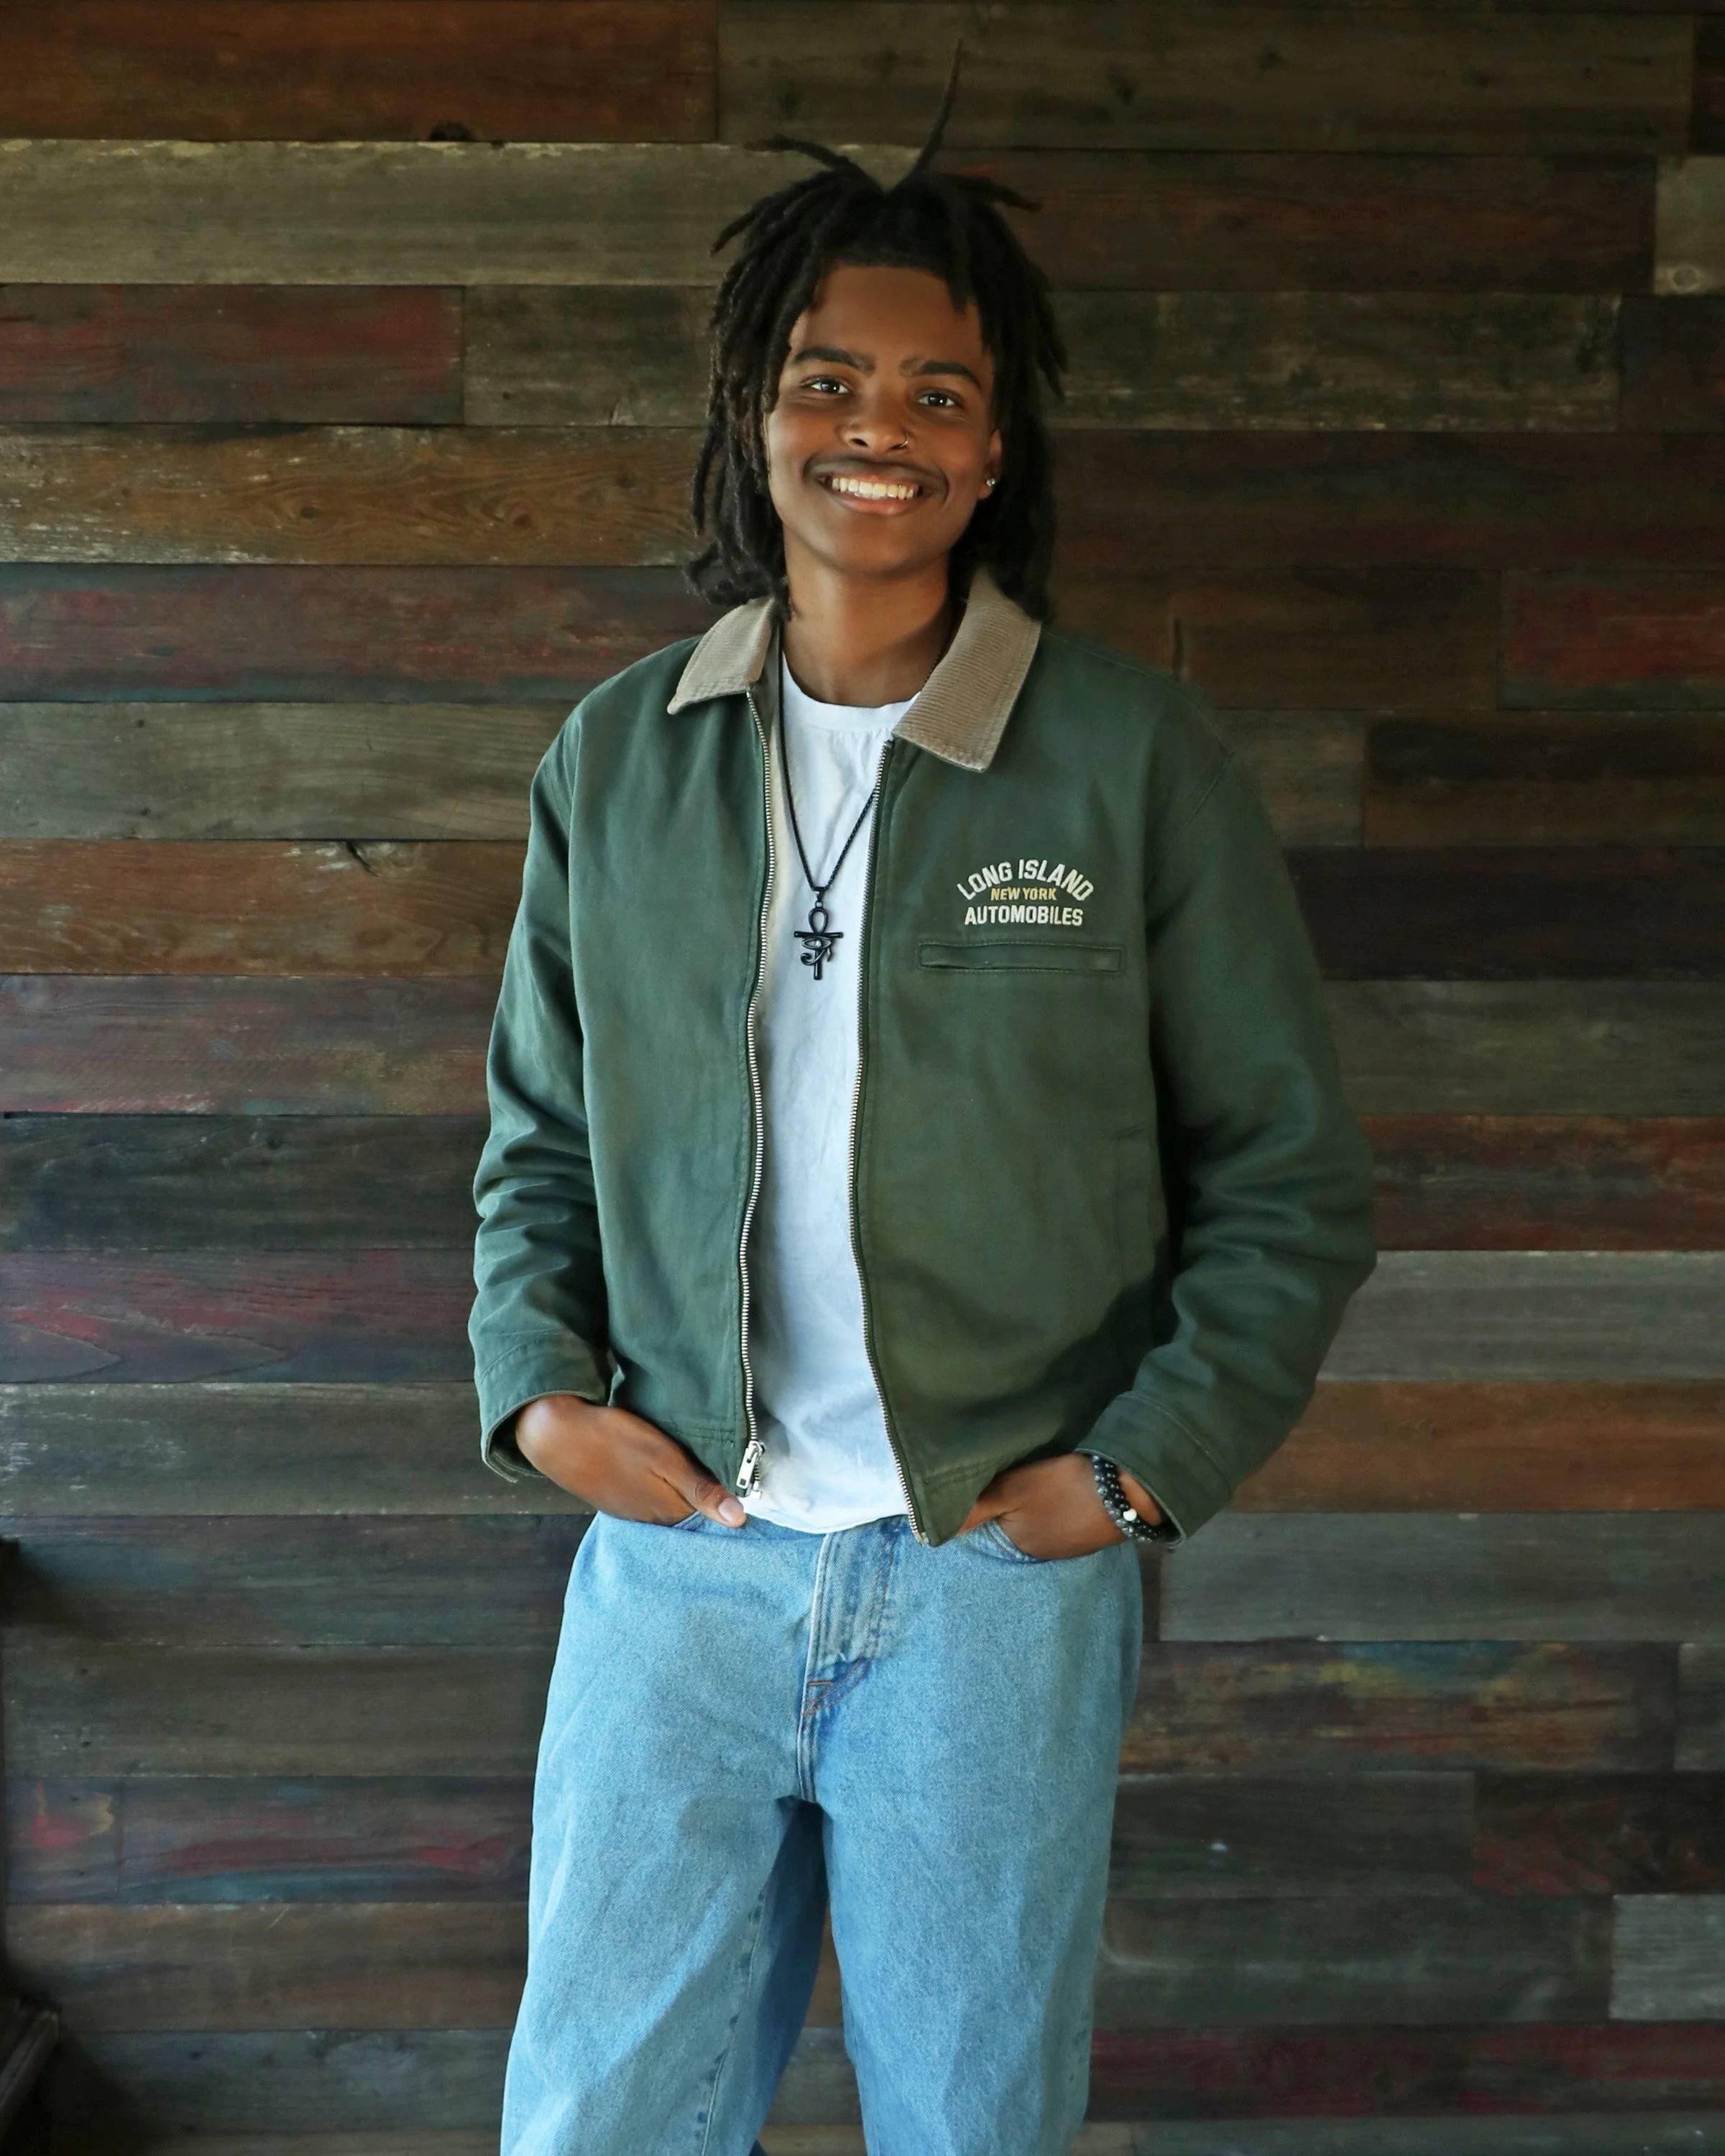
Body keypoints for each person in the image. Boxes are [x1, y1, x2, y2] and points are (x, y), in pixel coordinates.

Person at [466, 73, 1376, 2156]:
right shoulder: (622, 761)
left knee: (972, 2123)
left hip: (987, 1582)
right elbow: (536, 1138)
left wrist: (1137, 1480)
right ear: (754, 412)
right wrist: (537, 1397)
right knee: (595, 2120)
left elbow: (1291, 1182)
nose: (879, 426)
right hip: (676, 1576)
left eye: (940, 390)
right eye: (828, 377)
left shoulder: (1127, 763)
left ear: (999, 443)